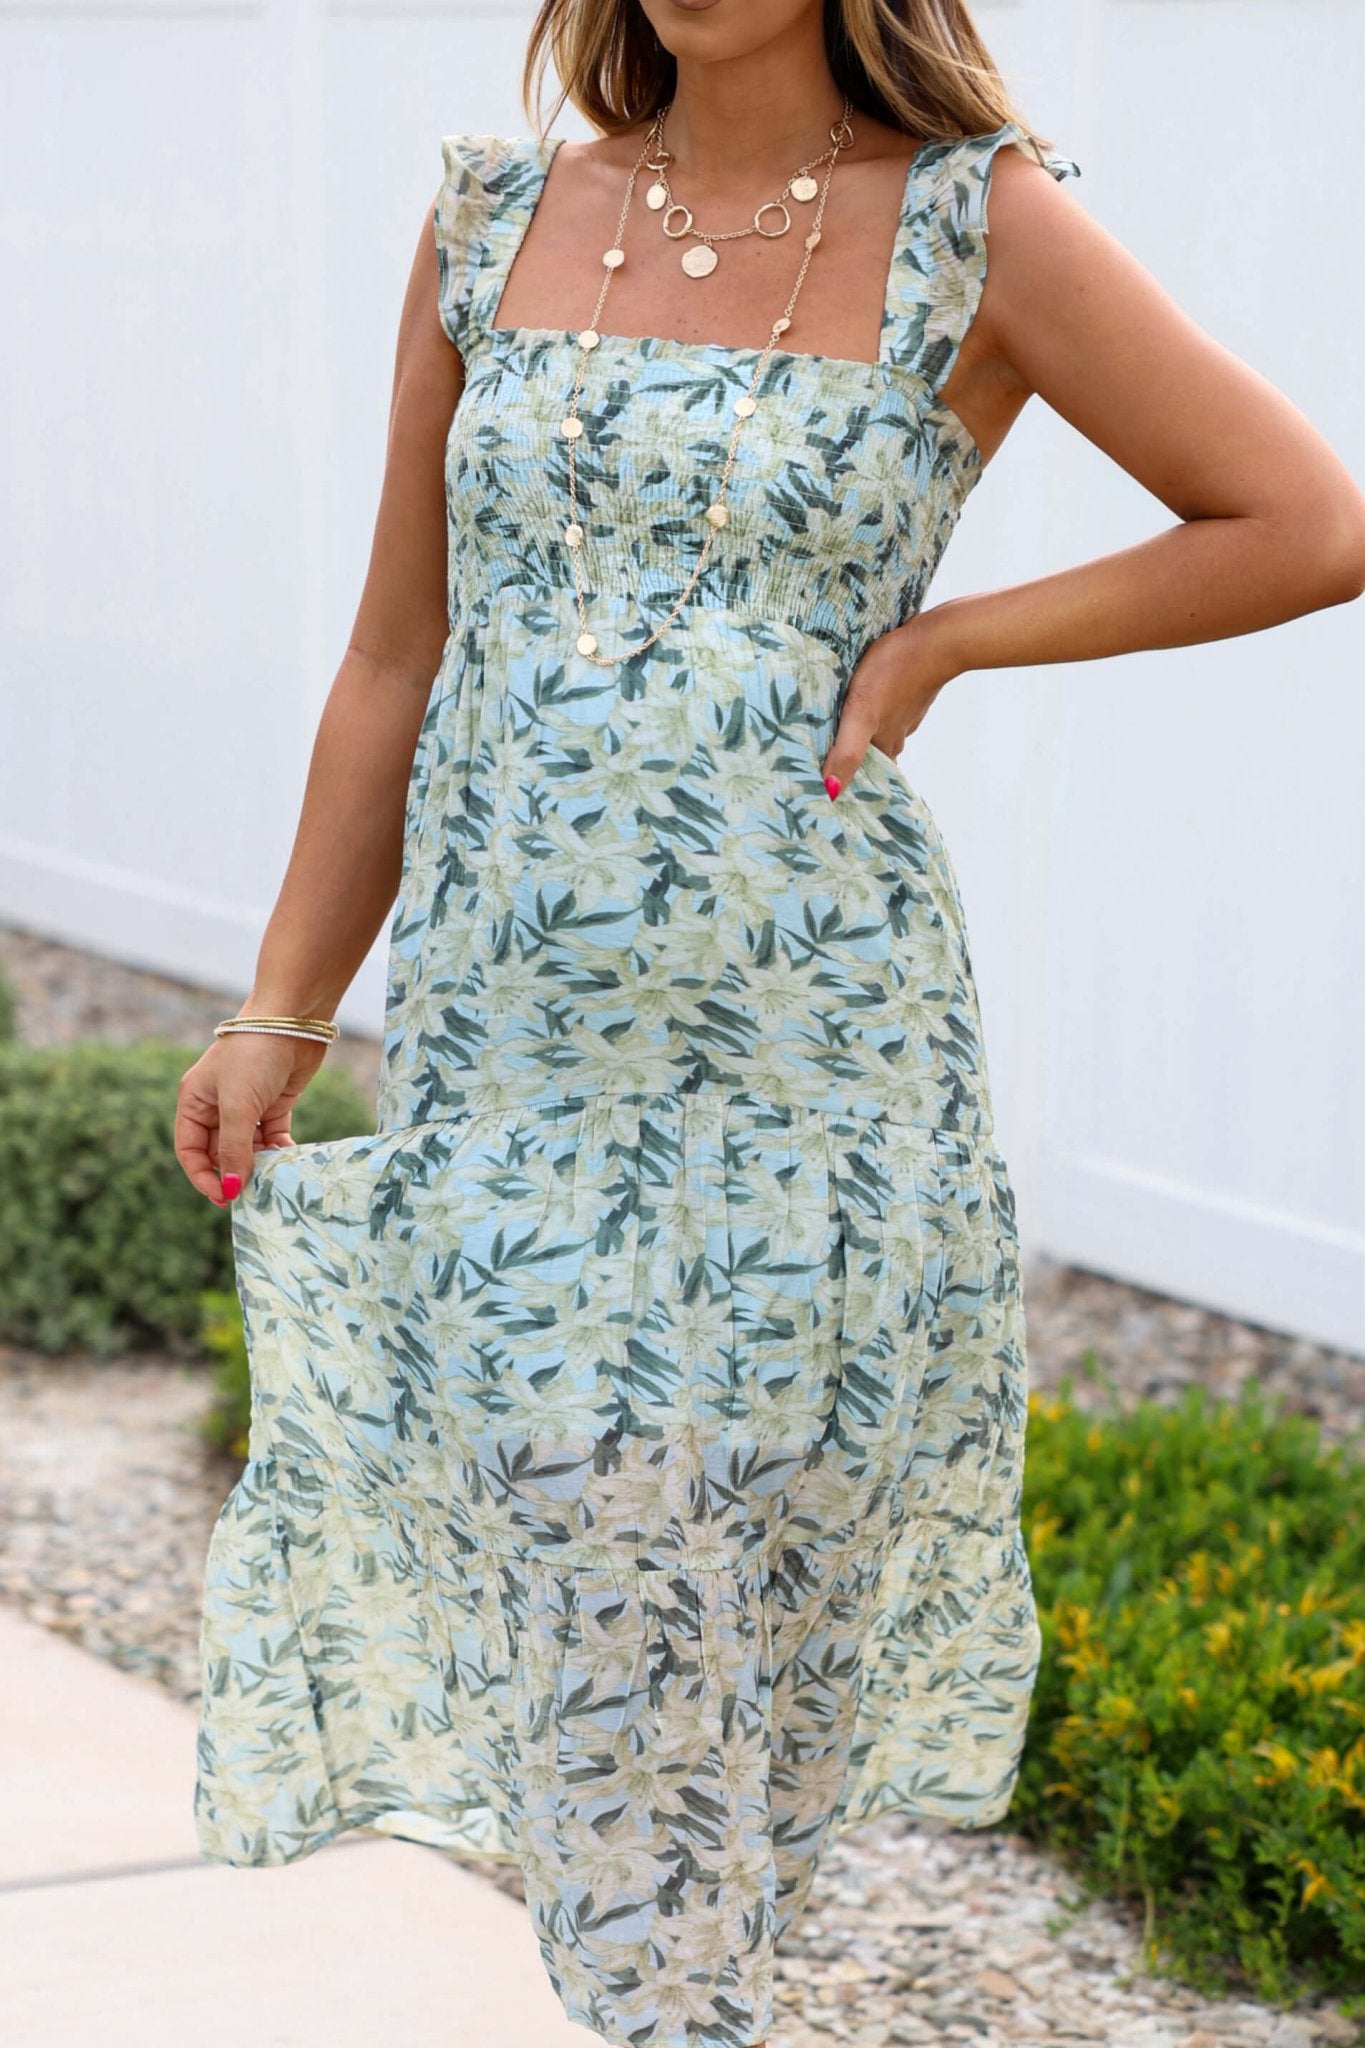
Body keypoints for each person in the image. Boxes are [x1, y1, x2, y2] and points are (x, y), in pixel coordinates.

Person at [176, 3, 1365, 2044]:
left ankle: (686, 1985)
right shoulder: (490, 211)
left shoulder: (980, 226)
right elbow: (396, 649)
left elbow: (1297, 516)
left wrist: (945, 642)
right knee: (589, 1567)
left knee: (762, 1601)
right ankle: (671, 2004)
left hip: (811, 1043)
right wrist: (285, 1000)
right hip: (516, 1046)